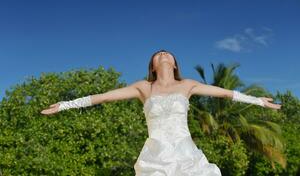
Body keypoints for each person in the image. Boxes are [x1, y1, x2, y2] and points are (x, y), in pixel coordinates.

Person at [41, 49, 281, 175]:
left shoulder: (187, 85)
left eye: (168, 53)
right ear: (153, 65)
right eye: (159, 54)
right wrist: (64, 105)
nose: (164, 54)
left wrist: (258, 101)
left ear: (174, 64)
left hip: (186, 154)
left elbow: (226, 93)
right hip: (155, 155)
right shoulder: (143, 87)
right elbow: (102, 97)